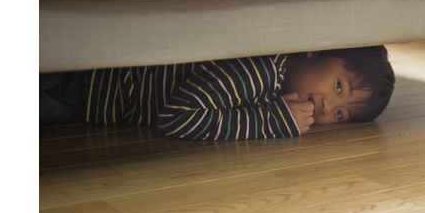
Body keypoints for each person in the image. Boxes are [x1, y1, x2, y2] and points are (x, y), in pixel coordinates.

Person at [39, 46, 395, 140]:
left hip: (93, 102)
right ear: (315, 51)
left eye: (340, 115)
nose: (326, 106)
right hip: (90, 89)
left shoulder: (275, 82)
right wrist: (271, 121)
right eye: (337, 86)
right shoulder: (262, 70)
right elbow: (176, 117)